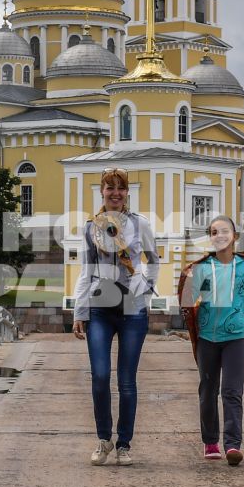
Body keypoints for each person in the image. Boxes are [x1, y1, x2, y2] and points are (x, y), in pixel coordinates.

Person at [72, 168, 159, 466]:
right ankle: (103, 439)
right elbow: (86, 271)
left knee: (126, 381)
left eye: (120, 188)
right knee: (99, 376)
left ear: (127, 193)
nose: (115, 193)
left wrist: (146, 289)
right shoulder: (90, 228)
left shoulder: (140, 224)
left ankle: (124, 444)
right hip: (100, 309)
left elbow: (154, 260)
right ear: (102, 192)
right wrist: (79, 312)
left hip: (133, 310)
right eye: (110, 188)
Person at [181, 214, 244, 465]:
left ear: (235, 237)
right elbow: (188, 303)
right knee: (208, 392)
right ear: (210, 238)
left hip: (235, 339)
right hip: (208, 340)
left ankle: (233, 445)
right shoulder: (200, 268)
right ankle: (211, 442)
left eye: (224, 231)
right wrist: (187, 285)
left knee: (232, 392)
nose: (219, 236)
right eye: (213, 232)